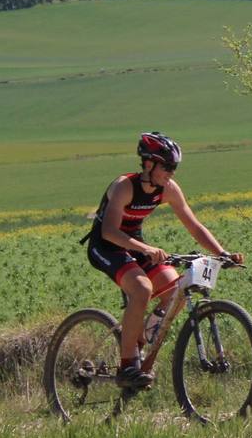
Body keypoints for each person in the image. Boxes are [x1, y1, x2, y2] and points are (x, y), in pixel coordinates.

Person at [83, 132, 243, 388]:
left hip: (135, 244)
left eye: (175, 167)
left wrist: (222, 253)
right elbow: (109, 232)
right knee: (142, 289)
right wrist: (145, 248)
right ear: (148, 164)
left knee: (175, 288)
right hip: (107, 246)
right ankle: (127, 367)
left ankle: (138, 338)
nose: (172, 172)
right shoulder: (124, 186)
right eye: (167, 166)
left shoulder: (168, 189)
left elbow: (194, 225)